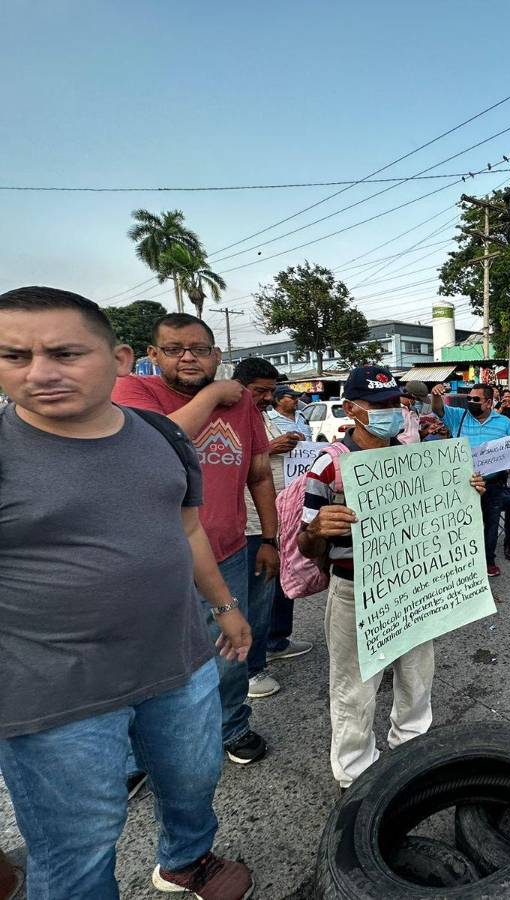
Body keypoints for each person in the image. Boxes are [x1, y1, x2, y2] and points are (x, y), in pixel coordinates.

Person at [0, 287, 253, 898]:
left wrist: (226, 608)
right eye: (13, 355)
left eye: (64, 353)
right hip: (55, 691)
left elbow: (187, 528)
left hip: (181, 660)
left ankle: (187, 860)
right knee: (79, 844)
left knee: (192, 780)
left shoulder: (162, 437)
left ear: (117, 360)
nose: (40, 372)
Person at [297, 366, 485, 788]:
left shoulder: (415, 456)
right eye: (378, 406)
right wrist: (315, 529)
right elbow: (304, 545)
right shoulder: (327, 467)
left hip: (412, 586)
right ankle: (356, 777)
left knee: (418, 676)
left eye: (393, 404)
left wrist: (465, 490)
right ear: (351, 409)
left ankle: (411, 751)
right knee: (354, 690)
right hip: (355, 592)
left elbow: (438, 514)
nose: (390, 413)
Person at [112, 312, 274, 766]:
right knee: (154, 660)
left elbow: (260, 474)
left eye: (199, 349)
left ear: (216, 355)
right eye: (174, 349)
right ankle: (141, 755)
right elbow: (154, 442)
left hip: (226, 551)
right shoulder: (133, 391)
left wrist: (271, 538)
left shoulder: (242, 405)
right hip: (153, 560)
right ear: (152, 355)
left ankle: (232, 727)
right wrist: (215, 393)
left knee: (230, 649)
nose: (187, 357)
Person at [232, 360, 307, 701]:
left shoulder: (261, 416)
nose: (266, 397)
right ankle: (250, 670)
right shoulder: (226, 416)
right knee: (256, 598)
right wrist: (269, 449)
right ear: (239, 384)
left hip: (275, 519)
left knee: (280, 588)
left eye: (270, 391)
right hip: (248, 522)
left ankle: (277, 642)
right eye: (259, 390)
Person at [433, 382, 510, 576]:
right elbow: (438, 409)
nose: (471, 402)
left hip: (492, 484)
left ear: (488, 402)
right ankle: (463, 561)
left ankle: (488, 561)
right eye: (469, 398)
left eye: (476, 399)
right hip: (463, 483)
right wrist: (436, 395)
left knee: (491, 523)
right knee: (462, 523)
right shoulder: (458, 416)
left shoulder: (505, 423)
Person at [262, 384, 316, 667]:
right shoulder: (266, 420)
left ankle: (278, 638)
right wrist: (270, 447)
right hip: (265, 506)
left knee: (288, 568)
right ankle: (256, 654)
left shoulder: (302, 420)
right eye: (290, 397)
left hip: (294, 500)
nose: (295, 400)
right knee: (263, 581)